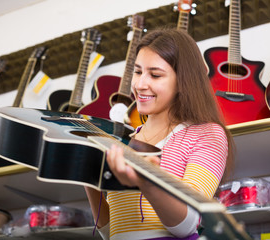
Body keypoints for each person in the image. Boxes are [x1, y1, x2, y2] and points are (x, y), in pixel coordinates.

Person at [85, 27, 233, 240]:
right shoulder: (123, 139)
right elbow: (111, 232)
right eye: (137, 71)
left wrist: (146, 181)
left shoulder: (207, 134)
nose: (139, 84)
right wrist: (85, 175)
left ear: (183, 81)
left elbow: (188, 225)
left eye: (155, 75)